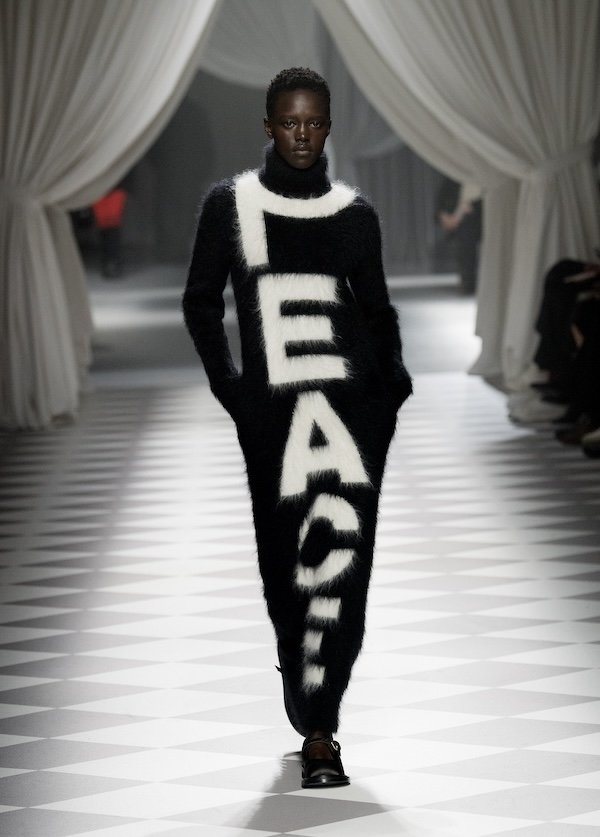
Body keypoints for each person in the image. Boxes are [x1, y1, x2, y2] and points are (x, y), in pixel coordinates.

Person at [183, 67, 412, 789]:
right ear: (269, 125)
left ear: (330, 125)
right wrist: (233, 390)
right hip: (274, 419)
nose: (302, 135)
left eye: (314, 122)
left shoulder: (354, 213)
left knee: (342, 562)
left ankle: (321, 729)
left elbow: (376, 311)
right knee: (286, 564)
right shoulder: (231, 205)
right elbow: (200, 302)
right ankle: (300, 675)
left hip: (351, 417)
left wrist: (391, 390)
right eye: (290, 122)